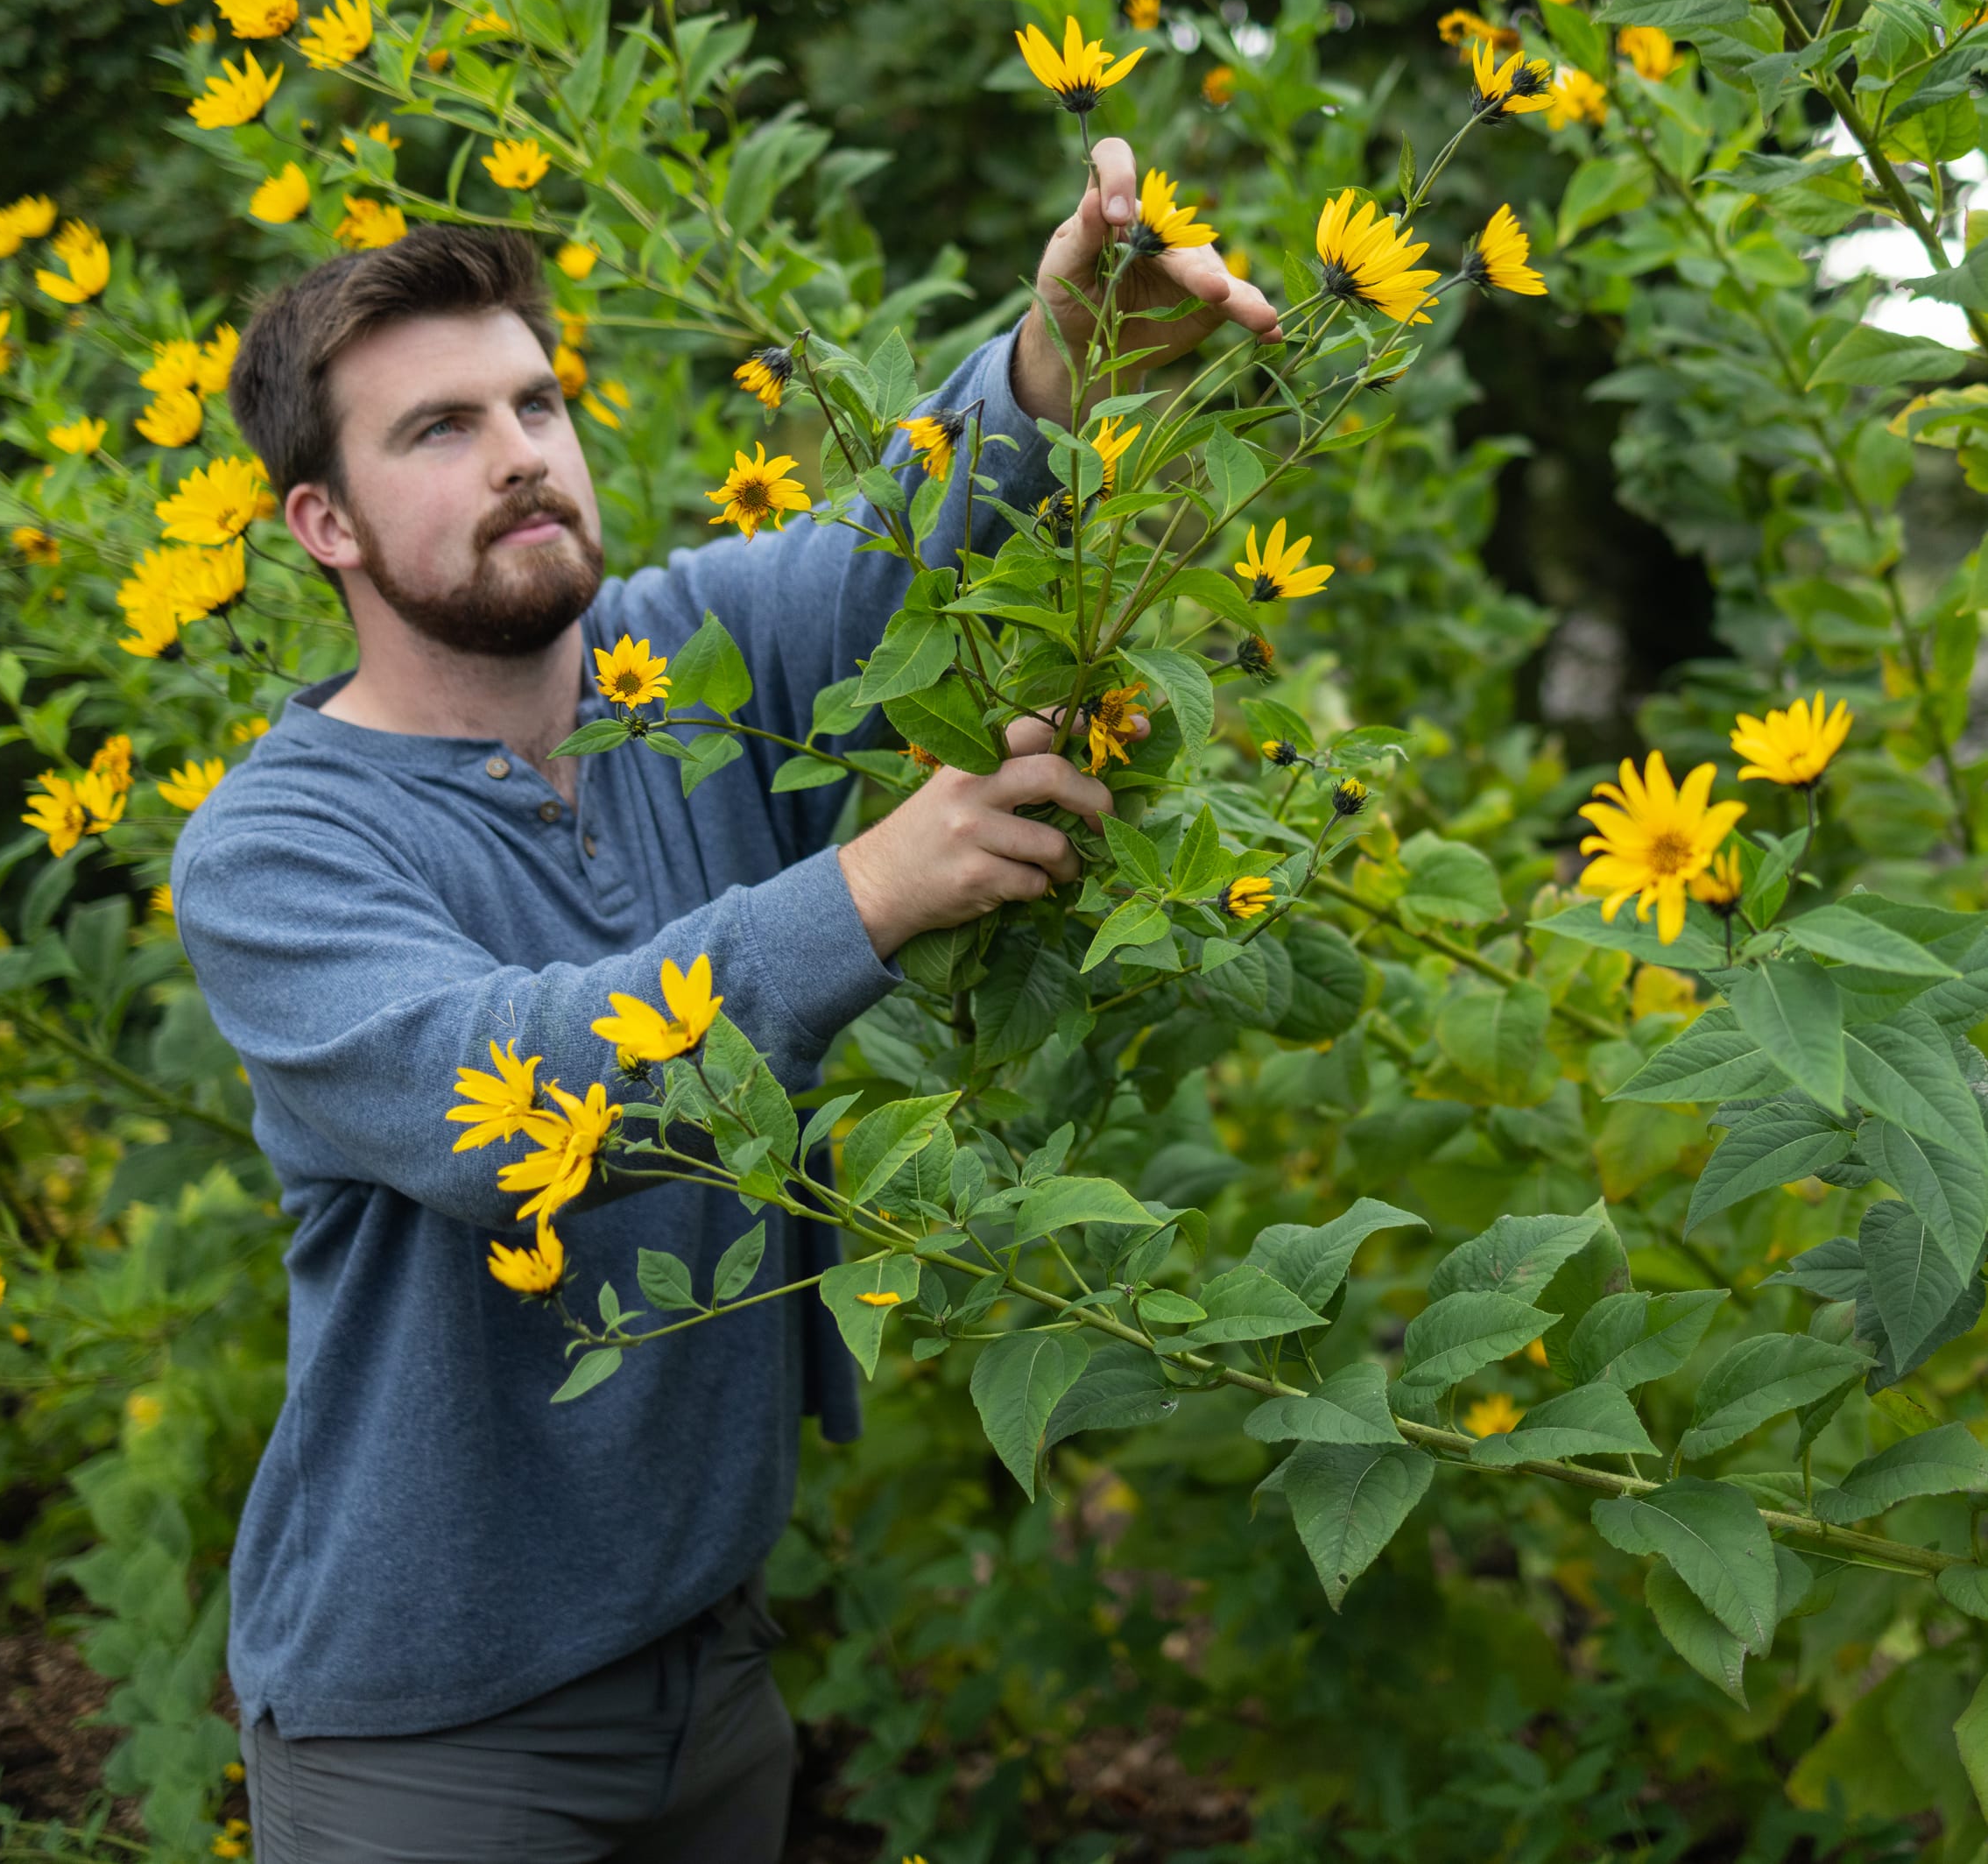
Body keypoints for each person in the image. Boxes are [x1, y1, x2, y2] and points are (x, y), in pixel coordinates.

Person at [170, 135, 1279, 1863]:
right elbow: (508, 1090)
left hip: (712, 1661)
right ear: (321, 522)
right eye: (438, 430)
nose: (520, 456)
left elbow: (894, 536)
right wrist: (873, 888)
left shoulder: (677, 654)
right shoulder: (271, 845)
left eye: (535, 404)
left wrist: (1056, 361)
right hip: (440, 1725)